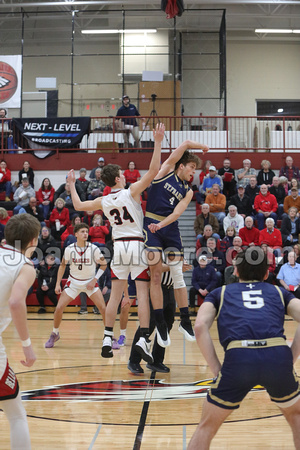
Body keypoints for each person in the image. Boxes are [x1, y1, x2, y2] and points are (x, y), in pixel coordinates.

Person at [67, 123, 165, 361]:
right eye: (122, 172)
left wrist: (71, 185)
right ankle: (143, 338)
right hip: (136, 244)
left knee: (115, 296)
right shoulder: (130, 192)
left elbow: (79, 206)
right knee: (141, 293)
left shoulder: (103, 200)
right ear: (119, 178)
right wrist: (158, 142)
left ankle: (107, 339)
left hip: (118, 247)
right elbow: (153, 171)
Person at [189, 248, 300, 450]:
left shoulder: (220, 293)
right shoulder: (278, 291)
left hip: (239, 357)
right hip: (277, 356)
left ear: (236, 271)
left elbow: (199, 327)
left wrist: (216, 369)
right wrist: (290, 358)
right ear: (267, 274)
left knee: (206, 427)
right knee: (296, 418)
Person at [144, 136, 208, 347]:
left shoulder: (188, 191)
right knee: (155, 275)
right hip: (152, 223)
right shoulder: (165, 172)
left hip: (167, 228)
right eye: (191, 167)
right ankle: (161, 323)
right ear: (181, 165)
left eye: (195, 170)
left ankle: (185, 320)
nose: (193, 172)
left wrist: (162, 226)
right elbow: (185, 144)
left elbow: (178, 213)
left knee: (178, 273)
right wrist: (201, 146)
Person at [0, 214, 41, 450]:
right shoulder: (25, 266)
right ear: (33, 241)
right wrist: (27, 345)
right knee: (16, 414)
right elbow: (16, 302)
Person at [45, 223, 107, 348]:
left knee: (103, 308)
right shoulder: (69, 249)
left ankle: (109, 335)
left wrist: (94, 280)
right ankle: (55, 333)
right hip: (73, 282)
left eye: (86, 231)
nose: (85, 234)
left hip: (90, 281)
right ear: (76, 234)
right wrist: (57, 284)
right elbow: (62, 266)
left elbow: (104, 264)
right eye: (82, 231)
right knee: (58, 308)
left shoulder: (94, 248)